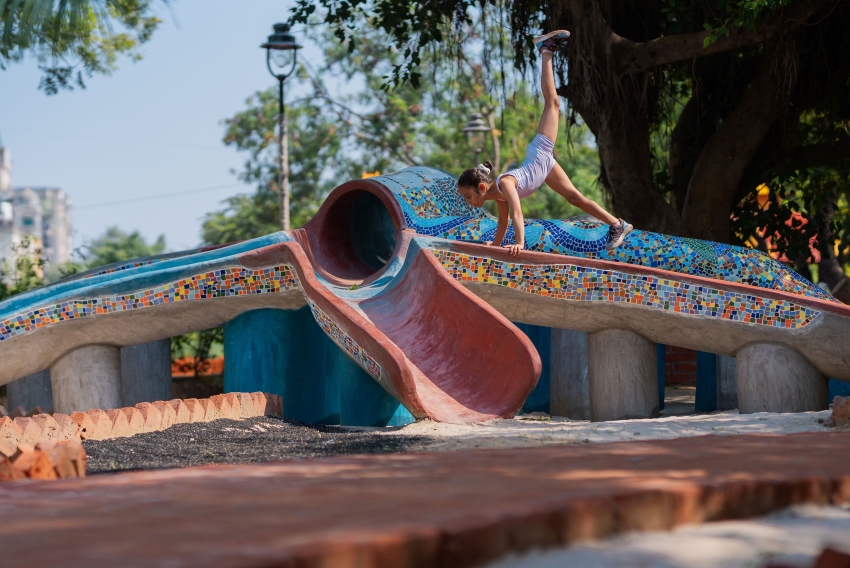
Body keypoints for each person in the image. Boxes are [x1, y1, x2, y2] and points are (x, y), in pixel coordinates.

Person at [456, 30, 632, 255]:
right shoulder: (496, 195)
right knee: (574, 198)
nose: (468, 202)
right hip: (543, 167)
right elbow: (504, 221)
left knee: (553, 103)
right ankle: (618, 225)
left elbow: (518, 214)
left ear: (481, 187)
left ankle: (546, 49)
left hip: (538, 155)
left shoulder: (505, 185)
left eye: (468, 196)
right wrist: (496, 246)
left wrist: (519, 243)